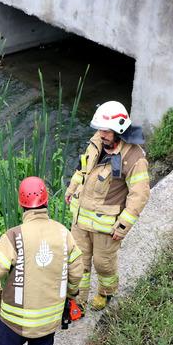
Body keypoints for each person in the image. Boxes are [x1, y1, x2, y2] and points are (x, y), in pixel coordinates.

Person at [0, 177, 84, 345]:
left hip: (12, 322)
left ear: (21, 204)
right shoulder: (63, 234)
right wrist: (70, 295)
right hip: (47, 322)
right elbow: (77, 272)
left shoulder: (14, 236)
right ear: (46, 200)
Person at [65, 101, 150, 311]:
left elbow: (139, 196)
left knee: (103, 265)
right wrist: (71, 188)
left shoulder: (134, 158)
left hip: (105, 226)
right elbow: (83, 167)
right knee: (78, 263)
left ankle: (106, 293)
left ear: (119, 129)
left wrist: (122, 227)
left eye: (105, 131)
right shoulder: (96, 142)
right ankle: (77, 301)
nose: (101, 134)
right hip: (80, 219)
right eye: (100, 130)